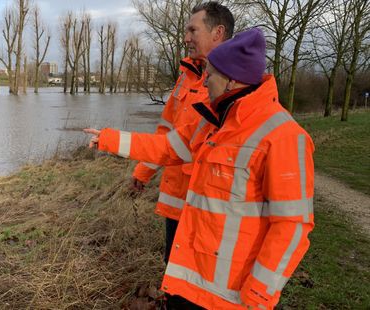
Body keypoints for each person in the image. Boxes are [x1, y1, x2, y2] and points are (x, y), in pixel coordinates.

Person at [85, 28, 315, 309]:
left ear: (232, 81)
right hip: (189, 280)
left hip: (231, 295)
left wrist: (259, 292)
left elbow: (292, 225)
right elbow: (166, 147)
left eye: (211, 75)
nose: (204, 81)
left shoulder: (284, 136)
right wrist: (108, 139)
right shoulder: (213, 121)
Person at [130, 2, 234, 267]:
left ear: (217, 32)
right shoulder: (186, 77)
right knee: (173, 271)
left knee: (201, 276)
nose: (186, 38)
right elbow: (167, 133)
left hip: (210, 206)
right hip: (177, 199)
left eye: (192, 30)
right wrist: (143, 172)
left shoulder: (234, 80)